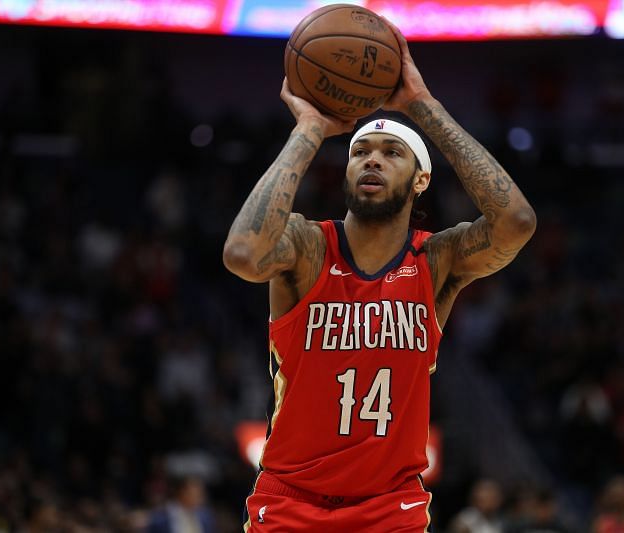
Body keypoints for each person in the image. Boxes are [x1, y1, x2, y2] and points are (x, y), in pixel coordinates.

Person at [223, 17, 536, 532]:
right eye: (360, 153)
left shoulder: (435, 262)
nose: (372, 160)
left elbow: (516, 223)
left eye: (392, 154)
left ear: (420, 180)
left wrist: (422, 109)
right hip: (291, 500)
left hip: (391, 508)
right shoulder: (306, 247)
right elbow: (240, 253)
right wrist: (308, 131)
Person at [145, 475, 216, 533]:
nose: (199, 498)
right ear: (182, 493)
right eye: (194, 494)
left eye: (200, 494)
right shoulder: (162, 516)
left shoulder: (205, 516)